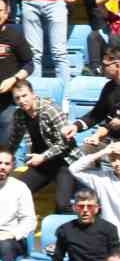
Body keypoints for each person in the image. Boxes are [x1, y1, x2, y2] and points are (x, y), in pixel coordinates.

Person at [8, 78, 75, 211]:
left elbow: (66, 142)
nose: (22, 101)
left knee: (62, 203)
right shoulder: (19, 115)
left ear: (33, 94)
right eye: (17, 98)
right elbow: (14, 141)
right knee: (15, 194)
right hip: (41, 165)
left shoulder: (50, 110)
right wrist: (6, 156)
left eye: (24, 96)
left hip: (64, 162)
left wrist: (43, 157)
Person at [0, 0, 35, 151]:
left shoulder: (15, 34)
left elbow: (29, 64)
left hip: (8, 101)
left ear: (6, 13)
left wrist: (14, 79)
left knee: (6, 147)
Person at [20, 0, 72, 79]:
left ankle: (65, 93)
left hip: (56, 0)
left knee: (59, 53)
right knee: (33, 53)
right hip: (30, 0)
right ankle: (35, 92)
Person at [0, 147, 35, 261]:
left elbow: (30, 220)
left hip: (10, 237)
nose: (2, 167)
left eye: (7, 164)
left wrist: (12, 234)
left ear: (12, 166)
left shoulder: (20, 188)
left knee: (5, 247)